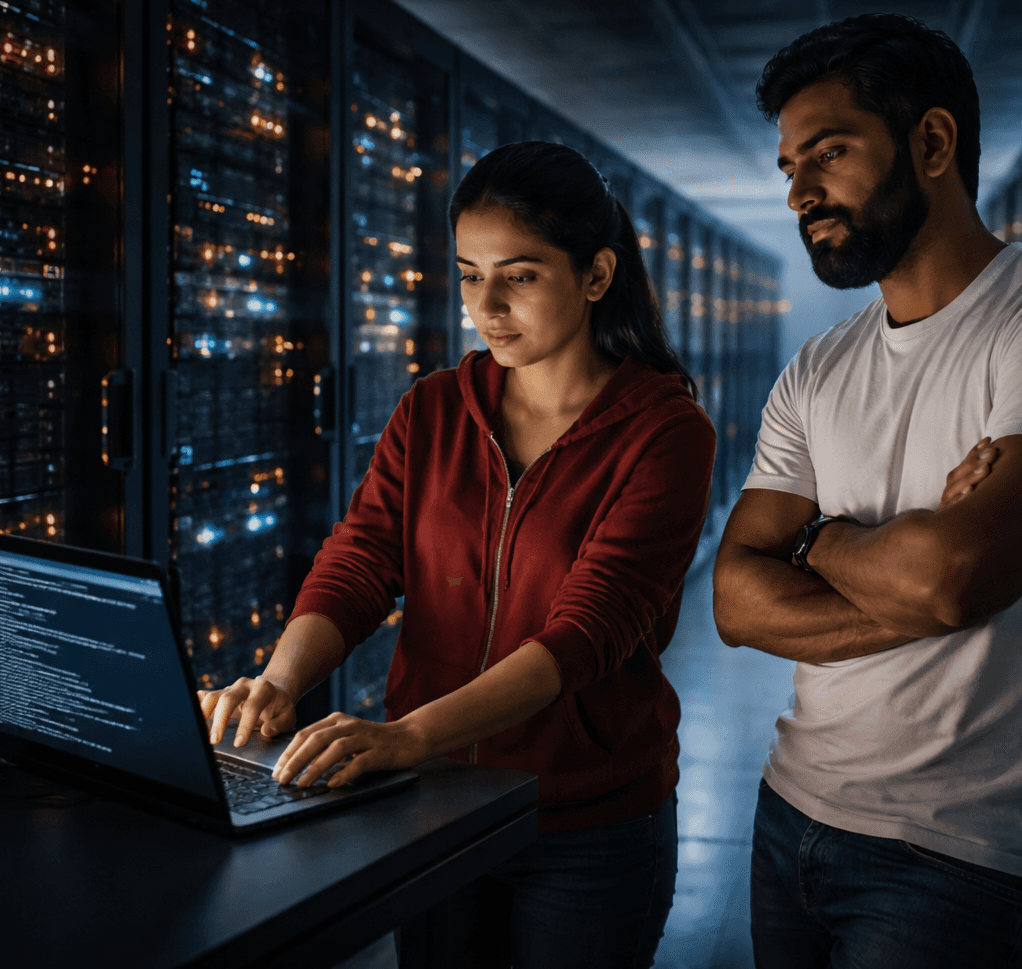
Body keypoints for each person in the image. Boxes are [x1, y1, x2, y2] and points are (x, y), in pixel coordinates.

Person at [713, 13, 1022, 969]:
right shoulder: (817, 369)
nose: (799, 192)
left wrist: (814, 539)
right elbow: (735, 602)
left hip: (967, 850)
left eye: (829, 152)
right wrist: (908, 563)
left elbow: (952, 579)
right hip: (792, 806)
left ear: (931, 142)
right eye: (790, 166)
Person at [198, 140, 713, 968]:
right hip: (435, 806)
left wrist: (408, 737)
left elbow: (587, 631)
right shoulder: (433, 409)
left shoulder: (665, 432)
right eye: (470, 275)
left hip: (585, 822)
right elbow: (361, 561)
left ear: (596, 274)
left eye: (520, 275)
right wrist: (279, 683)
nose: (487, 305)